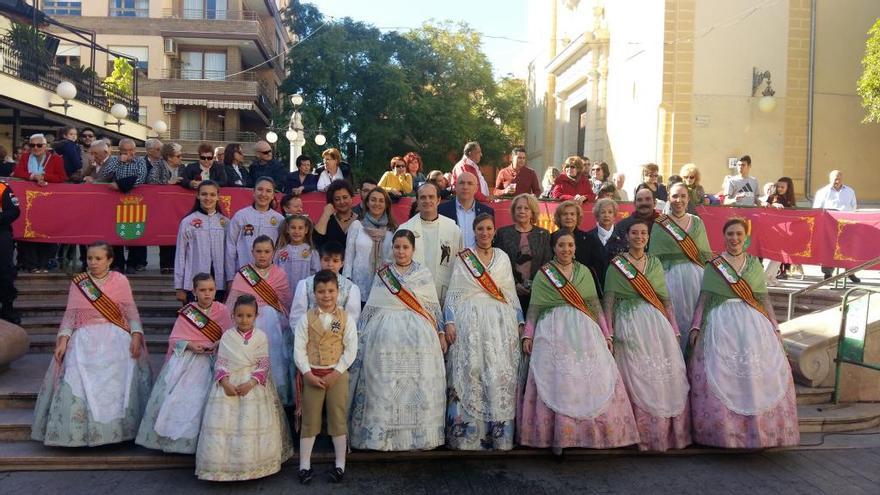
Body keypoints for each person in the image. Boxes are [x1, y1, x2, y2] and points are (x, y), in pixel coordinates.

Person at [518, 229, 639, 454]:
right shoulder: (546, 274)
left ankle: (589, 434)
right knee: (559, 380)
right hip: (552, 329)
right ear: (554, 248)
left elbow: (594, 304)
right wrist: (528, 334)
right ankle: (559, 436)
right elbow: (534, 307)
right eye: (561, 245)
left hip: (584, 330)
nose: (566, 249)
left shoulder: (584, 271)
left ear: (575, 248)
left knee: (587, 378)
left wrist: (606, 334)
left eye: (570, 246)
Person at [687, 218, 800, 448]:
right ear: (724, 236)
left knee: (754, 376)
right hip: (721, 323)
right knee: (724, 375)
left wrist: (775, 326)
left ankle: (759, 432)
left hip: (753, 325)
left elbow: (763, 298)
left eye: (739, 234)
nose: (734, 238)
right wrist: (696, 326)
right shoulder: (714, 265)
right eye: (730, 234)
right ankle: (726, 433)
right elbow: (704, 297)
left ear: (745, 237)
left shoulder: (754, 265)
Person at [31, 241, 152, 446]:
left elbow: (130, 311)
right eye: (89, 258)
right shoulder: (80, 283)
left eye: (98, 258)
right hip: (85, 339)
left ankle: (119, 433)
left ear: (110, 260)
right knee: (76, 377)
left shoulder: (120, 280)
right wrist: (63, 340)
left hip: (116, 337)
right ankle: (80, 435)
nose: (93, 263)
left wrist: (136, 335)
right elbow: (71, 316)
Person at [348, 229, 446, 451]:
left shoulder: (423, 274)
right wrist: (359, 334)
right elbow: (372, 306)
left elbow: (432, 307)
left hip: (419, 334)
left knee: (417, 382)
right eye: (397, 247)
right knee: (383, 380)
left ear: (413, 249)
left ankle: (418, 437)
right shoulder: (383, 274)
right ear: (391, 249)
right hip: (384, 333)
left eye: (405, 247)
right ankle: (380, 437)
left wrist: (440, 331)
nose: (400, 251)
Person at [603, 221, 691, 452]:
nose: (639, 237)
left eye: (643, 233)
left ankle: (661, 433)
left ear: (648, 237)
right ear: (627, 236)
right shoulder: (617, 265)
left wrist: (674, 327)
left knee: (660, 375)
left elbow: (665, 298)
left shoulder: (655, 263)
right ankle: (634, 434)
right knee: (634, 373)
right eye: (635, 233)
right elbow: (609, 299)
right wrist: (608, 332)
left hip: (656, 324)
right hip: (627, 322)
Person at [444, 214, 523, 450]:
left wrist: (519, 321)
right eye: (480, 228)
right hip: (470, 323)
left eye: (489, 228)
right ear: (474, 230)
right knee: (471, 371)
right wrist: (449, 322)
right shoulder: (464, 259)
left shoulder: (503, 257)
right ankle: (466, 437)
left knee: (497, 373)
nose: (485, 233)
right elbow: (454, 292)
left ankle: (500, 437)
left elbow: (509, 292)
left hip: (500, 325)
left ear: (494, 231)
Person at [195, 294, 293, 481]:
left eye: (249, 316)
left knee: (251, 424)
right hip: (229, 384)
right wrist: (225, 383)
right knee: (226, 425)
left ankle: (255, 465)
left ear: (256, 316)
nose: (244, 319)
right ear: (233, 316)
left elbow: (263, 365)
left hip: (252, 385)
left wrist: (250, 383)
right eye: (240, 315)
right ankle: (224, 468)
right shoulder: (227, 336)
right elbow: (221, 362)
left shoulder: (261, 337)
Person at [136, 273, 233, 453]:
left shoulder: (223, 310)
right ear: (194, 291)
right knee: (185, 400)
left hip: (214, 361)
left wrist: (218, 343)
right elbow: (174, 339)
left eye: (211, 290)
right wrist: (189, 345)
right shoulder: (188, 312)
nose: (207, 294)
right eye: (202, 290)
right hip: (189, 362)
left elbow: (229, 336)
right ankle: (180, 441)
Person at [293, 269, 358, 484]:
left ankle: (340, 464)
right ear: (314, 294)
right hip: (313, 374)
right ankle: (304, 466)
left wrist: (337, 372)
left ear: (338, 292)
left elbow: (350, 348)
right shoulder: (306, 319)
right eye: (321, 291)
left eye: (330, 291)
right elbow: (299, 348)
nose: (326, 295)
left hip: (336, 375)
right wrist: (307, 373)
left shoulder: (344, 319)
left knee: (337, 418)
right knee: (310, 420)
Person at [225, 235, 294, 406]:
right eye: (258, 251)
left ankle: (275, 399)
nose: (262, 255)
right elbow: (232, 304)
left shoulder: (280, 274)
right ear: (252, 252)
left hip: (274, 327)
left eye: (267, 251)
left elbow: (285, 302)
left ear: (273, 252)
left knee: (274, 361)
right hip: (247, 325)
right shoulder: (243, 274)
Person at [648, 183, 713, 349]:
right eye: (675, 196)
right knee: (675, 321)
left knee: (695, 320)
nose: (679, 200)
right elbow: (654, 257)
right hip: (669, 279)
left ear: (688, 198)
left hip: (695, 280)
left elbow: (705, 254)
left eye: (683, 196)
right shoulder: (660, 223)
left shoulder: (697, 222)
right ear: (669, 198)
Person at [398, 182, 463, 301]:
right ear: (417, 201)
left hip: (444, 294)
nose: (427, 200)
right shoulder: (405, 229)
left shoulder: (453, 229)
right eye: (422, 197)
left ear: (438, 200)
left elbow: (459, 264)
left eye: (431, 197)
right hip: (414, 297)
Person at [13, 133, 67, 273]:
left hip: (48, 202)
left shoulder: (55, 159)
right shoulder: (25, 157)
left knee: (46, 232)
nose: (35, 148)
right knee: (28, 232)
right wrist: (33, 176)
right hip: (29, 202)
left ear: (45, 146)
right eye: (32, 145)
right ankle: (31, 264)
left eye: (39, 145)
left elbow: (61, 177)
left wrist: (43, 176)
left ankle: (44, 263)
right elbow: (18, 172)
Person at [493, 193, 552, 312]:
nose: (522, 211)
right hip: (508, 292)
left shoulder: (543, 234)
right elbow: (498, 264)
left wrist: (535, 286)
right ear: (514, 211)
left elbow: (547, 263)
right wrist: (514, 285)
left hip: (537, 293)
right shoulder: (503, 233)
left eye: (526, 208)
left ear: (532, 212)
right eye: (518, 208)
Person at [98, 138, 149, 272]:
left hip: (136, 202)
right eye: (125, 150)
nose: (128, 153)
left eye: (131, 150)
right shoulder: (114, 160)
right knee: (116, 232)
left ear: (135, 150)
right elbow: (104, 175)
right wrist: (119, 162)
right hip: (116, 202)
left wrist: (120, 184)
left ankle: (133, 263)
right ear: (119, 150)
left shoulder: (140, 161)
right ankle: (118, 263)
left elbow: (141, 179)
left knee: (134, 231)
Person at [174, 181, 229, 304]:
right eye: (204, 194)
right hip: (194, 281)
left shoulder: (226, 223)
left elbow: (230, 255)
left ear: (218, 196)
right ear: (198, 196)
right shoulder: (188, 222)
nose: (208, 198)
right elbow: (180, 255)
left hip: (219, 282)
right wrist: (179, 286)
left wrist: (230, 279)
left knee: (216, 319)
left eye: (212, 194)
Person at [289, 241, 361, 329]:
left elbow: (352, 320)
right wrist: (306, 338)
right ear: (320, 260)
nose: (330, 265)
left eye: (335, 261)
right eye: (326, 260)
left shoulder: (350, 288)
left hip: (337, 337)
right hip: (311, 334)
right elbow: (297, 317)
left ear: (342, 263)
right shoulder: (306, 284)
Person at [225, 177, 285, 278]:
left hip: (270, 277)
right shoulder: (240, 216)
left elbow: (281, 250)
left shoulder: (280, 220)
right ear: (253, 192)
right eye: (260, 189)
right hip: (244, 275)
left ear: (273, 195)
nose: (263, 194)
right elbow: (230, 247)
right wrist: (230, 277)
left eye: (268, 191)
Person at [344, 186, 395, 304]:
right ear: (367, 203)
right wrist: (347, 281)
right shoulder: (357, 226)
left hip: (384, 285)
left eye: (381, 200)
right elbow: (348, 257)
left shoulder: (392, 230)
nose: (377, 203)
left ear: (386, 204)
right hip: (359, 284)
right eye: (373, 200)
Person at [813, 170, 859, 282]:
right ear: (830, 179)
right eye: (834, 178)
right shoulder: (822, 192)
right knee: (829, 248)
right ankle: (828, 273)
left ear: (842, 178)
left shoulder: (849, 191)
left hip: (846, 224)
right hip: (829, 224)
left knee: (848, 249)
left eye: (839, 178)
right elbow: (817, 209)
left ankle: (850, 272)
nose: (837, 180)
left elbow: (853, 207)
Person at [148, 142, 184, 274]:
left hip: (177, 207)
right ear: (169, 157)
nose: (181, 158)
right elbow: (151, 180)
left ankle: (175, 265)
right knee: (164, 234)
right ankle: (165, 265)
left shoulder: (182, 168)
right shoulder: (159, 166)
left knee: (176, 234)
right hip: (162, 207)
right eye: (178, 156)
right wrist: (168, 183)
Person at [439, 171, 494, 248]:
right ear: (455, 187)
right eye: (461, 183)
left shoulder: (487, 211)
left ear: (476, 188)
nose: (465, 187)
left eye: (470, 183)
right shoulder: (441, 210)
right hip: (451, 258)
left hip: (478, 258)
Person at [582, 198, 626, 297]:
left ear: (614, 215)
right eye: (603, 212)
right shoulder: (588, 237)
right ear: (597, 216)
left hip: (618, 289)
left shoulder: (623, 237)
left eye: (610, 212)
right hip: (594, 289)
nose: (606, 215)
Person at [275, 214, 320, 294]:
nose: (296, 231)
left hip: (304, 293)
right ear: (287, 229)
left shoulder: (311, 251)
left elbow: (316, 272)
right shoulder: (280, 252)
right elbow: (274, 271)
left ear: (306, 230)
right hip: (283, 293)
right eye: (293, 228)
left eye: (300, 228)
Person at [764, 176, 797, 285]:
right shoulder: (774, 197)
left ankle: (771, 277)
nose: (780, 189)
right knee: (778, 254)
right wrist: (774, 205)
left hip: (786, 232)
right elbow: (768, 204)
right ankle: (767, 277)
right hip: (775, 230)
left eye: (782, 187)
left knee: (781, 255)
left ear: (788, 188)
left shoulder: (790, 200)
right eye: (778, 186)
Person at [0, 178, 21, 324]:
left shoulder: (2, 187)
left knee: (5, 270)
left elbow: (14, 211)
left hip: (1, 231)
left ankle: (7, 307)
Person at [613, 187, 658, 254]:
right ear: (634, 203)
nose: (644, 203)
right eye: (639, 200)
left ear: (655, 202)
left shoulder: (663, 224)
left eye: (648, 199)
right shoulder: (622, 226)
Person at [313, 179, 356, 249]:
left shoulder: (360, 220)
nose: (342, 202)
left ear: (351, 198)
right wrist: (326, 214)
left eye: (345, 197)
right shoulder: (327, 220)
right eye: (337, 199)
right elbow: (317, 240)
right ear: (332, 202)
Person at [552, 199, 593, 269]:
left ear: (577, 217)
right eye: (565, 214)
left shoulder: (589, 239)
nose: (568, 217)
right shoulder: (551, 238)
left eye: (572, 214)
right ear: (559, 217)